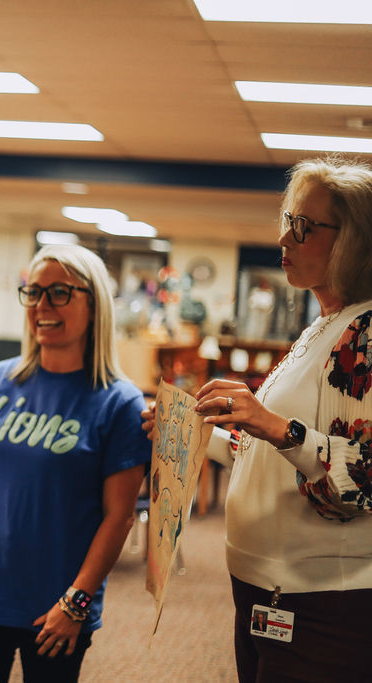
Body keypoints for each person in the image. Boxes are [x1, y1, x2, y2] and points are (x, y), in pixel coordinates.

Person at [142, 157, 372, 682]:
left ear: (355, 240)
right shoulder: (325, 327)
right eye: (287, 224)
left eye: (303, 227)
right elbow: (272, 453)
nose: (285, 241)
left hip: (321, 598)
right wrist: (200, 434)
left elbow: (363, 478)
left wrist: (272, 424)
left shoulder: (365, 334)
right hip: (270, 585)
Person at [0, 244, 151, 682]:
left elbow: (119, 516)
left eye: (59, 293)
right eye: (32, 292)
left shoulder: (118, 401)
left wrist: (77, 602)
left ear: (94, 303)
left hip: (58, 605)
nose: (42, 305)